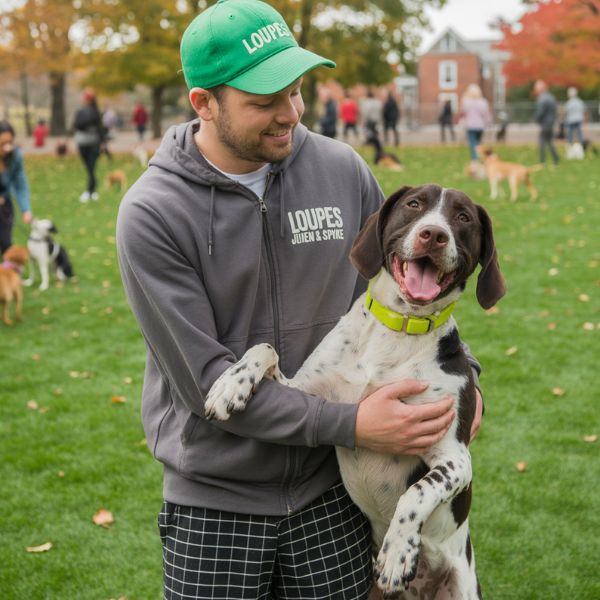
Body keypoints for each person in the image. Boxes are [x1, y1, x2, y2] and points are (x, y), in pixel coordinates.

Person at [116, 1, 483, 598]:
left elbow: (410, 295)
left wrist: (467, 384)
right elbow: (209, 387)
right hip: (217, 502)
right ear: (203, 103)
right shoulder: (152, 212)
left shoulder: (343, 170)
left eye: (295, 90)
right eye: (263, 102)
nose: (289, 114)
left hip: (331, 498)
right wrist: (357, 425)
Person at [0, 120, 33, 253]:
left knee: (6, 243)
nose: (7, 147)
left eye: (10, 142)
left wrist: (26, 209)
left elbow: (20, 185)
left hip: (4, 204)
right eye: (3, 143)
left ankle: (6, 271)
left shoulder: (15, 157)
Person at [73, 87, 103, 202]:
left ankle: (90, 191)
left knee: (91, 168)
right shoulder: (81, 111)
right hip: (82, 143)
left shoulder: (95, 112)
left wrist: (102, 143)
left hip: (93, 143)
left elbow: (100, 129)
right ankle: (92, 191)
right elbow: (77, 125)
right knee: (89, 168)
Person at [460, 83, 491, 161]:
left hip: (470, 126)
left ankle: (475, 159)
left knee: (473, 143)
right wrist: (488, 123)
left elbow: (464, 113)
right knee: (478, 143)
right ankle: (481, 157)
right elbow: (486, 114)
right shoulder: (483, 102)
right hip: (480, 125)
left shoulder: (466, 102)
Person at [533, 79, 560, 165]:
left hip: (545, 123)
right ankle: (556, 159)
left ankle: (542, 161)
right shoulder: (551, 97)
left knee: (542, 142)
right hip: (550, 122)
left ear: (540, 89)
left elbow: (540, 112)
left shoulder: (542, 98)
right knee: (549, 141)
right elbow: (555, 110)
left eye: (536, 88)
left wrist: (536, 119)